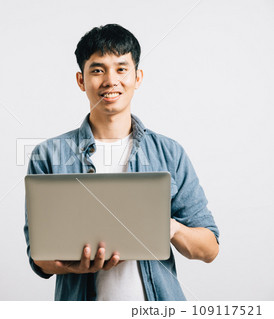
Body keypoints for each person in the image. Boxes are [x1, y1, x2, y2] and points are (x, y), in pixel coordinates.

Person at [23, 24, 219, 301]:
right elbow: (39, 256)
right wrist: (70, 266)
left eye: (121, 68)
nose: (110, 80)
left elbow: (209, 248)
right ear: (81, 80)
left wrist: (168, 227)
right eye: (97, 69)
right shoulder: (49, 155)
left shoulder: (169, 152)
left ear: (137, 77)